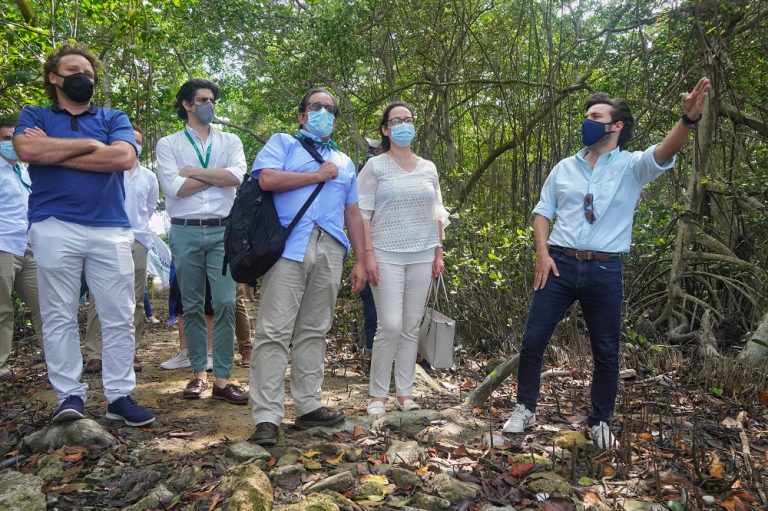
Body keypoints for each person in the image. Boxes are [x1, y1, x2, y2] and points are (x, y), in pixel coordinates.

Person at [502, 78, 712, 449]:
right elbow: (541, 211)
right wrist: (542, 253)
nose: (587, 120)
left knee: (607, 350)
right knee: (533, 340)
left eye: (596, 116)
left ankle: (600, 421)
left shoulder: (632, 166)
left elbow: (663, 153)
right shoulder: (564, 167)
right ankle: (525, 408)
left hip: (605, 269)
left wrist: (688, 119)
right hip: (559, 265)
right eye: (586, 115)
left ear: (616, 126)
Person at [12, 44, 154, 426]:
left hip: (110, 227)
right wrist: (93, 146)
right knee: (58, 313)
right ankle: (69, 395)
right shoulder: (35, 114)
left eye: (90, 74)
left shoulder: (113, 116)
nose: (84, 78)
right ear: (54, 78)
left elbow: (124, 158)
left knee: (119, 314)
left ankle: (119, 395)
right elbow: (25, 148)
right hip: (53, 223)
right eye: (75, 71)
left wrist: (52, 150)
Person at [248, 87, 366, 446]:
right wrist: (317, 175)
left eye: (330, 109)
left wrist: (363, 258)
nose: (323, 113)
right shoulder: (283, 143)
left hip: (331, 247)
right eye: (316, 107)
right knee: (273, 331)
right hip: (288, 245)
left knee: (315, 329)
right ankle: (267, 416)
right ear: (302, 115)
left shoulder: (345, 161)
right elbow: (266, 179)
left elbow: (353, 211)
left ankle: (308, 405)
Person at [156, 78, 248, 405]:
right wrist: (216, 175)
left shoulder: (230, 140)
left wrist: (194, 171)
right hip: (184, 230)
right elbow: (173, 188)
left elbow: (237, 177)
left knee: (224, 302)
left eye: (212, 99)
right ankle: (199, 374)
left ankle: (223, 379)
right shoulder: (168, 144)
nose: (209, 104)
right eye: (202, 99)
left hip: (223, 230)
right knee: (192, 304)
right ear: (187, 104)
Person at [358, 102, 448, 415]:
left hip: (423, 254)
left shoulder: (428, 167)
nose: (403, 125)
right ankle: (377, 396)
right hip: (384, 254)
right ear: (385, 129)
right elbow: (363, 214)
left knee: (411, 326)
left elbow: (437, 211)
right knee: (390, 325)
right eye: (396, 121)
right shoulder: (375, 166)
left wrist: (439, 250)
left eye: (408, 120)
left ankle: (405, 394)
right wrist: (367, 254)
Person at [83, 123, 159, 375]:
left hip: (137, 239)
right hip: (105, 237)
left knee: (135, 300)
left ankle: (131, 352)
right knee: (97, 296)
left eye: (137, 140)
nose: (133, 144)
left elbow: (147, 209)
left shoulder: (149, 177)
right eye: (129, 139)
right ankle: (96, 353)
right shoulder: (104, 171)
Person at [0, 119, 44, 379]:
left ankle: (58, 362)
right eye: (5, 138)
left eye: (13, 138)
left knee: (45, 306)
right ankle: (1, 366)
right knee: (2, 310)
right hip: (3, 245)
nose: (11, 143)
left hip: (28, 246)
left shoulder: (25, 171)